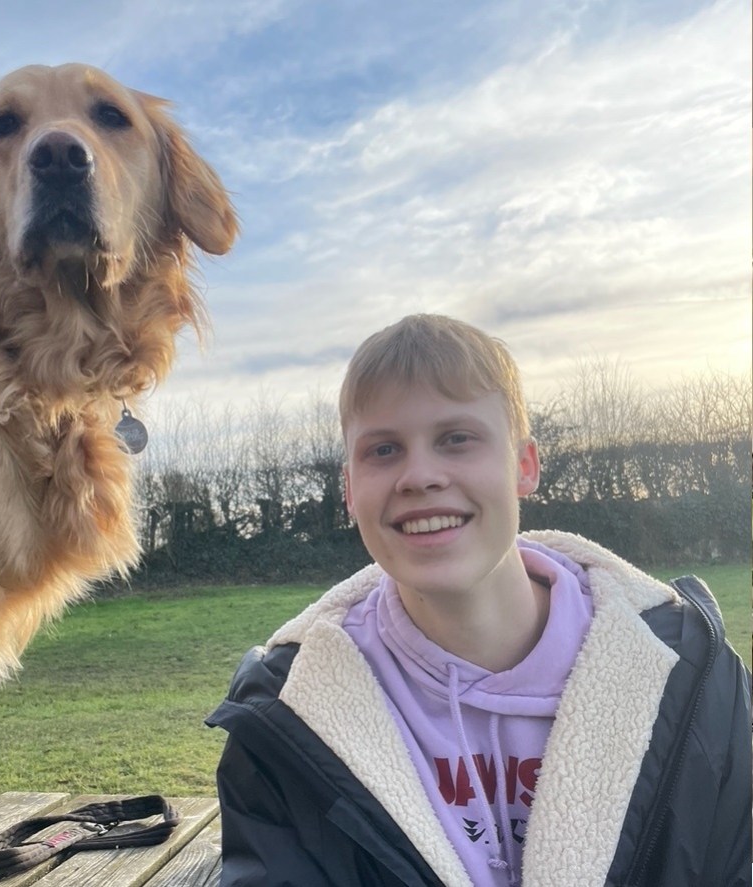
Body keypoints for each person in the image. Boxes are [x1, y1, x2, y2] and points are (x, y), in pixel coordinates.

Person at [206, 314, 751, 887]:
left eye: (456, 439)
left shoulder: (691, 674)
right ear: (349, 491)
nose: (419, 475)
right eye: (384, 449)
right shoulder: (286, 711)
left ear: (524, 465)